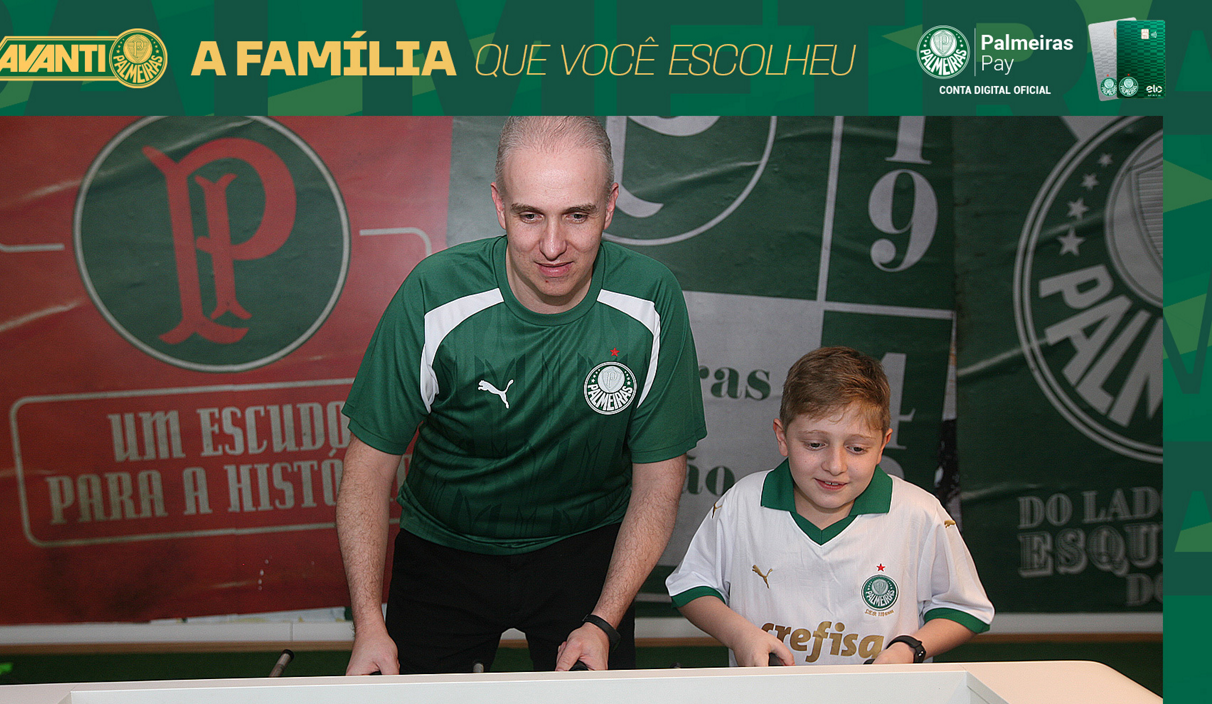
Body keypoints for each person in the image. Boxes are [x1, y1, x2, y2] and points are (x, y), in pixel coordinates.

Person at [338, 116, 706, 675]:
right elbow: (367, 470)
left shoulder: (651, 298)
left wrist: (603, 622)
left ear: (610, 206)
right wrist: (369, 623)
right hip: (443, 551)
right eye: (530, 215)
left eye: (577, 215)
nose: (553, 246)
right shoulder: (434, 293)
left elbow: (659, 482)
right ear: (499, 205)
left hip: (585, 554)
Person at [666, 346, 992, 666]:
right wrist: (740, 635)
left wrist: (909, 650)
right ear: (782, 437)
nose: (835, 465)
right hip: (767, 698)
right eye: (815, 444)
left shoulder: (919, 513)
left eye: (857, 448)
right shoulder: (743, 504)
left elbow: (963, 608)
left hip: (883, 699)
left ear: (882, 445)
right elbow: (692, 584)